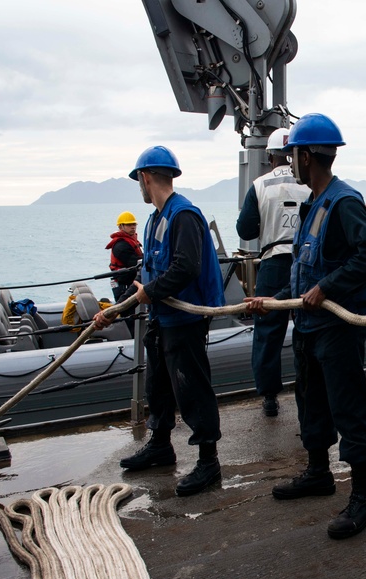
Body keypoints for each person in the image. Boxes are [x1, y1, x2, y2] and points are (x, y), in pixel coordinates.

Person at [245, 113, 366, 540]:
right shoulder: (315, 202)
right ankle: (318, 472)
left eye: (293, 155)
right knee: (309, 399)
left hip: (337, 327)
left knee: (349, 407)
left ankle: (364, 496)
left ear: (307, 155)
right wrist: (277, 302)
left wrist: (327, 287)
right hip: (308, 323)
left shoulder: (343, 201)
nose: (291, 162)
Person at [93, 146, 226, 497]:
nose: (139, 184)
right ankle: (160, 444)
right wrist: (117, 307)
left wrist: (146, 294)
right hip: (162, 316)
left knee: (192, 387)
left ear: (146, 177)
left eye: (138, 179)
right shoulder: (156, 217)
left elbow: (186, 267)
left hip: (185, 316)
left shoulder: (183, 216)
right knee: (160, 385)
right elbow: (149, 271)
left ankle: (209, 462)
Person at [236, 127, 312, 417]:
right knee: (309, 322)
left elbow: (245, 229)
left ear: (270, 156)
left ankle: (269, 396)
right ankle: (308, 385)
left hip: (272, 262)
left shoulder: (259, 185)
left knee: (268, 329)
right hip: (304, 260)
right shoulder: (308, 183)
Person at [107, 211, 143, 302]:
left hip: (131, 282)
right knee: (125, 309)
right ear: (120, 227)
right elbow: (135, 263)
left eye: (134, 224)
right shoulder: (121, 246)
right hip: (124, 284)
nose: (133, 227)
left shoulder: (131, 241)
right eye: (129, 225)